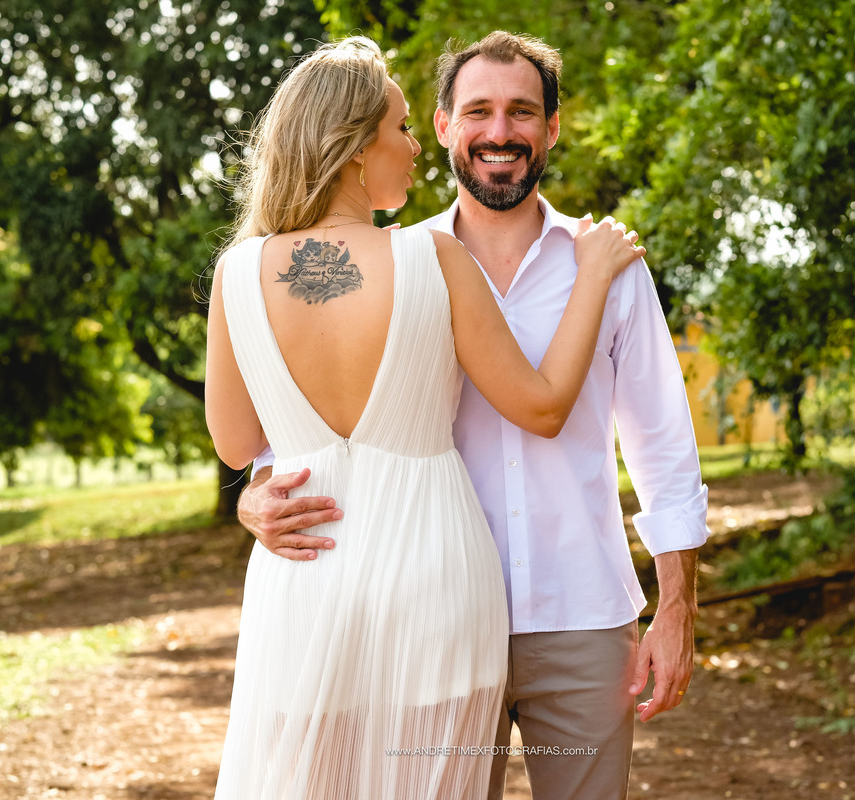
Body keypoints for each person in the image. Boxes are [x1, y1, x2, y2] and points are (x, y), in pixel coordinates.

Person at [238, 32, 708, 800]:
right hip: (428, 618)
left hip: (582, 617)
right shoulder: (392, 262)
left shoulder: (610, 266)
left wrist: (677, 608)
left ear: (552, 128)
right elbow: (312, 411)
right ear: (444, 125)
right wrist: (258, 492)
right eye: (479, 111)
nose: (500, 132)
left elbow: (662, 446)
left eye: (522, 111)